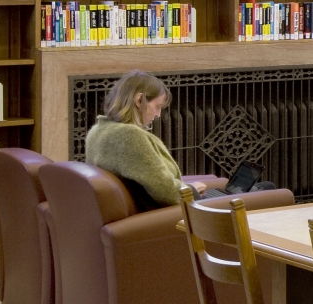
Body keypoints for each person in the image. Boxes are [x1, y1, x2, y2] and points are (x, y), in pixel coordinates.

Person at [84, 71, 273, 210]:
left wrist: (190, 188)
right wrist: (192, 190)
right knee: (269, 190)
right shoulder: (129, 136)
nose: (158, 115)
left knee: (255, 189)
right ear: (140, 101)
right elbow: (166, 191)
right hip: (176, 214)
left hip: (159, 209)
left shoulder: (99, 131)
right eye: (158, 107)